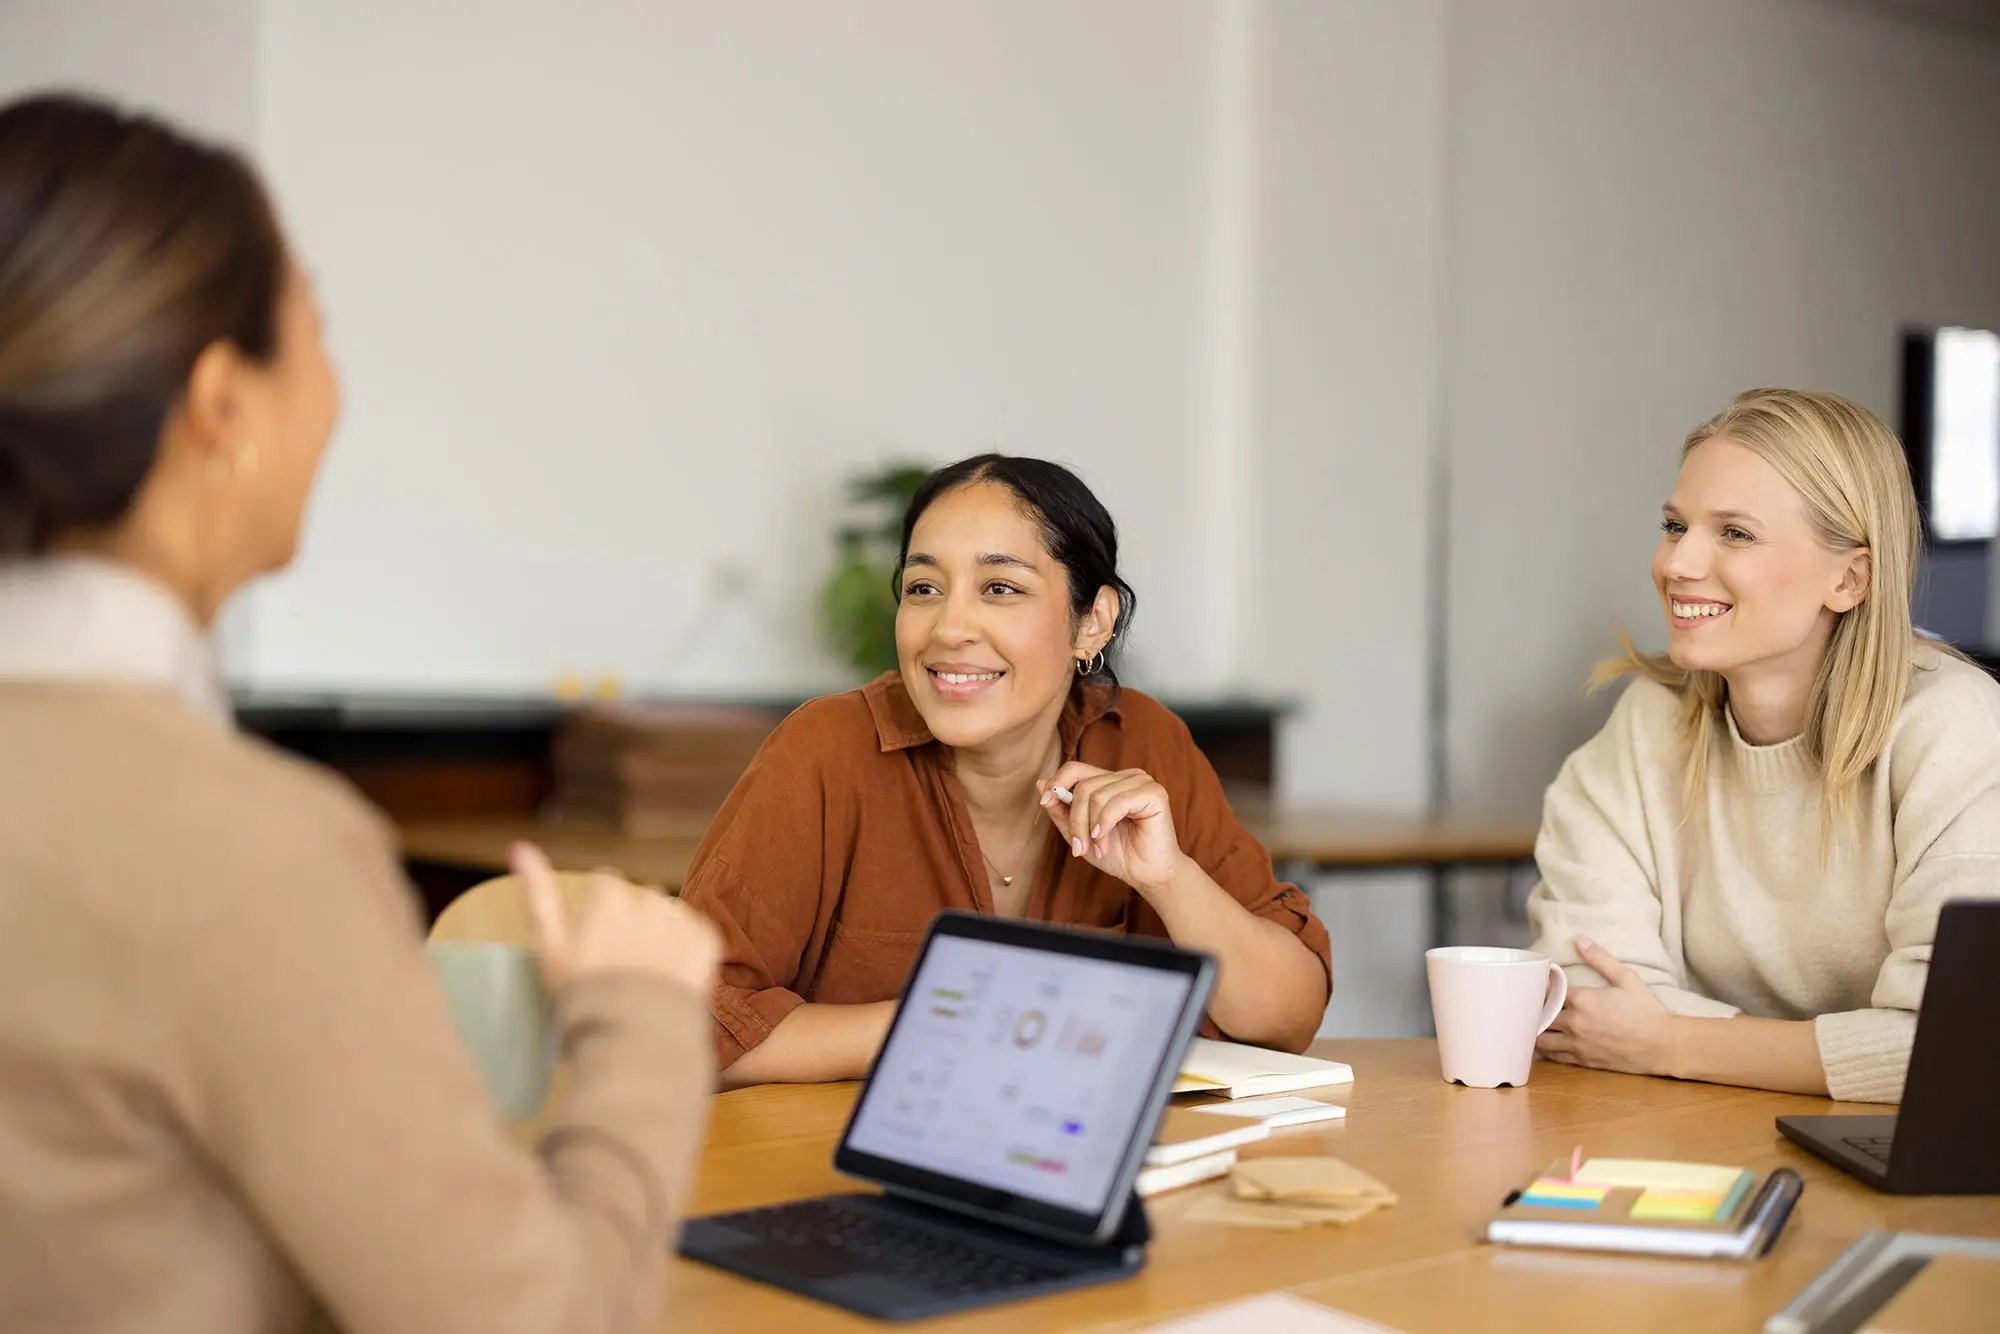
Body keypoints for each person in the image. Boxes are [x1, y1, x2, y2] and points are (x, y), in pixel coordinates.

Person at [0, 93, 721, 1333]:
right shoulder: (242, 846)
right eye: (315, 328)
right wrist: (642, 1019)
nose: (335, 390)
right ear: (222, 404)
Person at [680, 453, 1333, 1087]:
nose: (950, 627)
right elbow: (682, 1025)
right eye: (924, 589)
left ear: (1092, 623)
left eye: (1000, 588)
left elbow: (1287, 1019)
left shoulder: (1142, 743)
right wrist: (950, 1027)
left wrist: (1170, 879)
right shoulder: (824, 751)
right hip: (838, 1172)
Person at [1528, 387, 2000, 1104]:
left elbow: (1955, 1048)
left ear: (1850, 578)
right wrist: (1819, 1053)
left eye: (1735, 534)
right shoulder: (1646, 726)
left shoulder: (1956, 731)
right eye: (1674, 525)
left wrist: (1672, 1041)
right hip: (1693, 1138)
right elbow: (1588, 1000)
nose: (1678, 564)